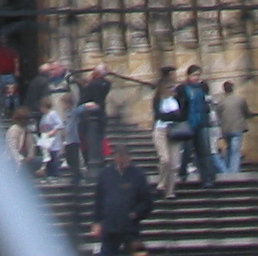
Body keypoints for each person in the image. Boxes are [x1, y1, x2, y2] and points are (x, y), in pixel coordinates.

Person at [89, 141, 158, 256]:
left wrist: (136, 213)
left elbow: (148, 201)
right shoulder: (105, 174)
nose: (123, 162)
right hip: (110, 227)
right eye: (119, 159)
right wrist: (96, 221)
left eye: (125, 159)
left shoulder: (138, 175)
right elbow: (99, 200)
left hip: (130, 228)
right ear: (114, 158)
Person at [178, 64, 219, 189]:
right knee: (188, 150)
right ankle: (183, 171)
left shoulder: (202, 87)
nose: (196, 78)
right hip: (188, 124)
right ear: (188, 75)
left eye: (198, 75)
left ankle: (208, 178)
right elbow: (180, 106)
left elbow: (206, 103)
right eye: (194, 75)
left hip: (201, 123)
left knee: (205, 151)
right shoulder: (182, 88)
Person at [152, 69, 185, 198]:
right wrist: (172, 116)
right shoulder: (158, 100)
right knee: (165, 159)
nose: (171, 89)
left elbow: (181, 115)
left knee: (174, 163)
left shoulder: (176, 100)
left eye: (172, 87)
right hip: (161, 130)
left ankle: (170, 190)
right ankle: (162, 182)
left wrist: (170, 116)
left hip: (175, 131)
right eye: (168, 87)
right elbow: (159, 115)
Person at [76, 66, 113, 180]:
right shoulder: (105, 84)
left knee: (89, 140)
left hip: (89, 117)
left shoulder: (93, 85)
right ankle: (97, 162)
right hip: (99, 115)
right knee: (97, 139)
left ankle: (92, 164)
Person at [217, 79, 248, 174]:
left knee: (229, 149)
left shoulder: (221, 102)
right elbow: (246, 112)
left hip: (226, 129)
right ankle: (233, 172)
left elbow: (218, 114)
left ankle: (226, 169)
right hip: (237, 128)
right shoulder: (240, 100)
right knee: (235, 151)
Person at [38, 100, 69, 178]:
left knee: (54, 155)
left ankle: (55, 173)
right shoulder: (44, 116)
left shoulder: (53, 114)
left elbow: (60, 124)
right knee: (47, 156)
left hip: (53, 139)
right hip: (46, 138)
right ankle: (50, 173)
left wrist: (54, 131)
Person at [0, 39, 21, 113]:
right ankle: (2, 111)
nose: (4, 41)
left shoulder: (11, 50)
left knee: (13, 94)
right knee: (0, 94)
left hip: (10, 75)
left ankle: (16, 111)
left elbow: (16, 59)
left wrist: (16, 70)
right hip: (1, 76)